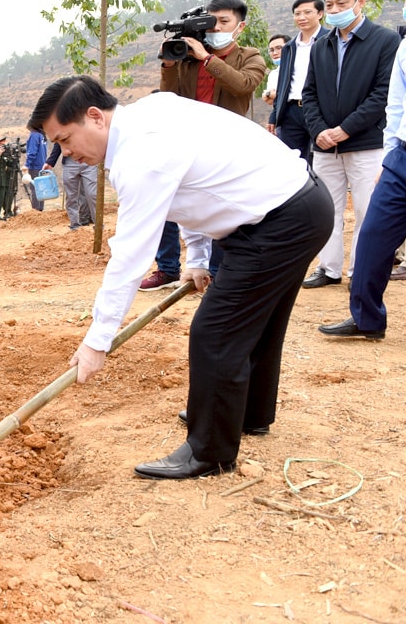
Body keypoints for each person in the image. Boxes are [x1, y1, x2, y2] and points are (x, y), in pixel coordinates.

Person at [30, 76, 331, 479]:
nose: (67, 153)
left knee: (217, 331)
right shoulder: (148, 117)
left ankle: (209, 451)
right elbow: (187, 195)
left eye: (65, 139)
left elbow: (130, 257)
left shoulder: (142, 153)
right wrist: (198, 258)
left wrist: (97, 341)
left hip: (280, 219)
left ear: (95, 117)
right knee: (257, 322)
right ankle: (246, 414)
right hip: (295, 207)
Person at [141, 0, 268, 291]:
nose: (216, 28)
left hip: (228, 142)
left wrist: (207, 59)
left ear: (240, 26)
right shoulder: (187, 57)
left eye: (224, 22)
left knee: (225, 207)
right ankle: (168, 267)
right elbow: (170, 96)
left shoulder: (251, 56)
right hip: (189, 139)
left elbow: (244, 85)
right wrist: (170, 65)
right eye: (212, 22)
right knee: (171, 201)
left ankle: (219, 271)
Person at [300, 0, 401, 290]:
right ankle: (328, 268)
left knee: (366, 210)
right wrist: (319, 131)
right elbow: (310, 93)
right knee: (325, 209)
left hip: (366, 142)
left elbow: (383, 94)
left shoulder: (385, 41)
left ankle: (360, 269)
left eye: (341, 3)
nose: (333, 9)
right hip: (325, 146)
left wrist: (345, 130)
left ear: (361, 2)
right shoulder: (322, 45)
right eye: (329, 4)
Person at [319, 36, 406, 339]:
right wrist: (390, 154)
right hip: (401, 158)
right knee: (373, 236)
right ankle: (367, 319)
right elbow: (395, 104)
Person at [267, 0, 328, 160]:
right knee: (292, 161)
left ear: (320, 14)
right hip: (291, 110)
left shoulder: (330, 40)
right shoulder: (289, 47)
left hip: (319, 109)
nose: (301, 17)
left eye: (307, 12)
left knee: (323, 159)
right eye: (297, 13)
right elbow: (283, 83)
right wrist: (275, 115)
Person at [44, 143, 97, 230]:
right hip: (70, 161)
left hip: (89, 161)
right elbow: (59, 142)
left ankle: (98, 224)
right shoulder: (63, 129)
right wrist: (50, 162)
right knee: (71, 196)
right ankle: (75, 225)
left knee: (92, 194)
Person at [260, 34, 290, 108]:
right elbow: (270, 101)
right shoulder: (273, 74)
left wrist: (272, 94)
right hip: (279, 114)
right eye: (271, 50)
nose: (275, 53)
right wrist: (270, 94)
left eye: (279, 48)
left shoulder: (300, 70)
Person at [21, 127, 47, 211]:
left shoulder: (34, 135)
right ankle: (40, 209)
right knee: (40, 188)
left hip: (35, 166)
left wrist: (27, 164)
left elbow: (32, 152)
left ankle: (35, 210)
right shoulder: (41, 135)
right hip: (42, 165)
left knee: (35, 189)